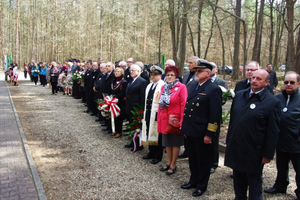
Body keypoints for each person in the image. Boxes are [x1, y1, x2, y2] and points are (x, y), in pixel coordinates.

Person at [225, 69, 281, 200]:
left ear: (267, 82)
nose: (254, 81)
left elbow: (273, 131)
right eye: (253, 78)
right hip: (237, 145)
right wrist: (230, 141)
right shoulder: (240, 95)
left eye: (259, 79)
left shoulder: (272, 102)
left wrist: (268, 153)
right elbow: (233, 120)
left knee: (254, 182)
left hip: (254, 150)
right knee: (238, 180)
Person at [180, 59, 222, 197]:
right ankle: (193, 180)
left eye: (199, 71)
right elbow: (188, 110)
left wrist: (209, 134)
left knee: (203, 160)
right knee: (192, 158)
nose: (196, 73)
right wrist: (185, 129)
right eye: (196, 71)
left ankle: (201, 185)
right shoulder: (195, 86)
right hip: (191, 130)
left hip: (202, 132)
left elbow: (215, 115)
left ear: (208, 74)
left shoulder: (213, 88)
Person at [264, 71, 300, 199]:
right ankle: (280, 185)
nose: (288, 85)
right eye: (286, 82)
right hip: (280, 140)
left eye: (292, 82)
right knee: (281, 166)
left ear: (298, 84)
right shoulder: (278, 98)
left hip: (296, 142)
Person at [157, 65, 187, 175]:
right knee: (167, 143)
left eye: (172, 75)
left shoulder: (181, 87)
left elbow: (184, 104)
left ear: (176, 76)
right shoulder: (163, 87)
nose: (169, 77)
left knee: (175, 143)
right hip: (164, 119)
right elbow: (161, 105)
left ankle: (174, 164)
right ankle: (168, 162)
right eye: (168, 75)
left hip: (175, 119)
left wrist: (182, 121)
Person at [141, 65, 165, 165]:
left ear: (160, 75)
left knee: (158, 135)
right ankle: (151, 152)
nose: (153, 77)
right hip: (148, 112)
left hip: (157, 113)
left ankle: (158, 156)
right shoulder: (149, 86)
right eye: (152, 74)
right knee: (148, 130)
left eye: (155, 75)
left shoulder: (163, 86)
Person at [179, 56, 199, 159]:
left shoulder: (198, 76)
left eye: (191, 62)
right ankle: (186, 150)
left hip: (193, 104)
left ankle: (190, 151)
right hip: (184, 104)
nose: (189, 64)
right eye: (189, 62)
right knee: (185, 127)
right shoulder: (186, 75)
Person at [210, 62, 228, 174]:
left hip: (215, 116)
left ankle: (213, 163)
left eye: (212, 68)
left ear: (216, 69)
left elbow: (224, 99)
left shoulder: (222, 83)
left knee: (214, 141)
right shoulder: (203, 82)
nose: (210, 70)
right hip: (202, 117)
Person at [124, 64, 147, 150]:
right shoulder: (131, 80)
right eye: (130, 70)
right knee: (132, 125)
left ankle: (138, 144)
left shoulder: (142, 81)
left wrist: (141, 109)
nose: (131, 72)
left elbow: (142, 97)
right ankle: (132, 141)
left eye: (133, 70)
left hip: (136, 108)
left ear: (138, 71)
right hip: (130, 107)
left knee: (137, 126)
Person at [111, 67, 127, 138]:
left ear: (121, 73)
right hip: (113, 101)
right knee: (114, 116)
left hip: (120, 101)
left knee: (119, 116)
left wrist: (116, 97)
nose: (116, 73)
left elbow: (123, 92)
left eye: (118, 71)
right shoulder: (113, 80)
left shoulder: (123, 81)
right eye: (115, 71)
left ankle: (119, 131)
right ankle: (115, 130)